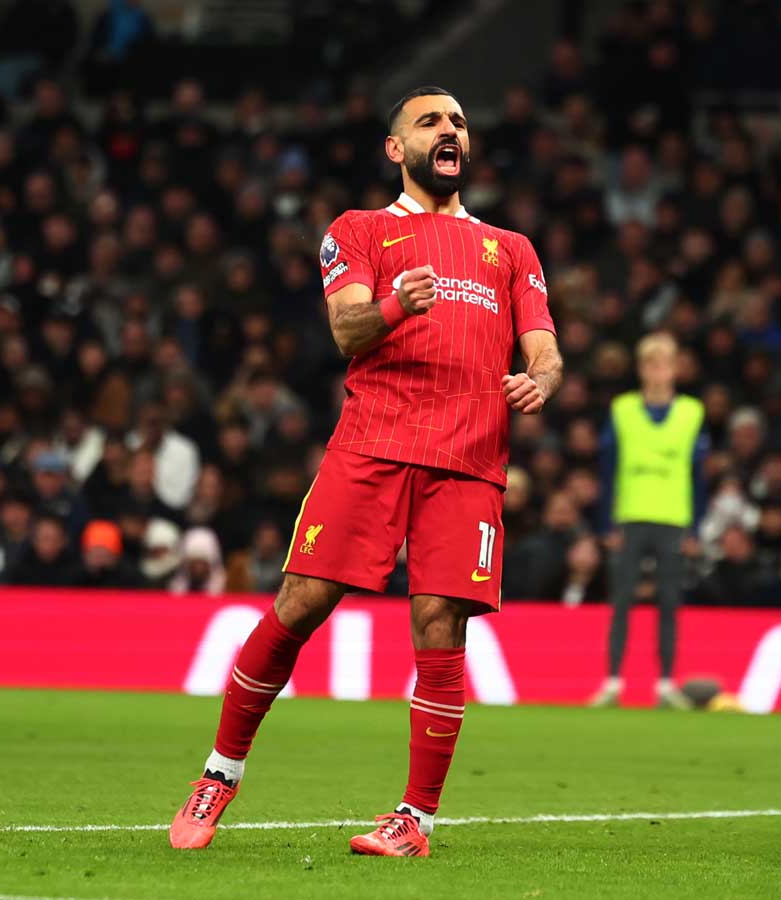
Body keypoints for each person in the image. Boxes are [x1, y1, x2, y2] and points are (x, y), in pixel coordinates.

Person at [167, 86, 561, 858]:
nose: (449, 131)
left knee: (439, 624)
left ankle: (414, 819)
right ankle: (220, 772)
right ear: (396, 149)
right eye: (430, 122)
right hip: (373, 445)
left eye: (458, 121)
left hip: (469, 458)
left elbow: (542, 342)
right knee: (301, 601)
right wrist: (392, 307)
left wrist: (540, 379)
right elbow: (345, 327)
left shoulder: (510, 248)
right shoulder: (359, 230)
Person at [591, 332, 707, 709]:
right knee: (621, 599)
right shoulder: (622, 409)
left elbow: (697, 475)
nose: (659, 372)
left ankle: (665, 684)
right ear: (642, 370)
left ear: (675, 369)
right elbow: (607, 471)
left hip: (674, 518)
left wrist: (697, 528)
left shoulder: (692, 412)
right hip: (631, 515)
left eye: (665, 364)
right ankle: (612, 682)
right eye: (652, 364)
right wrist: (607, 524)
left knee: (670, 601)